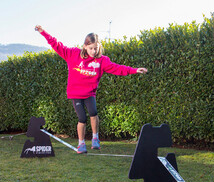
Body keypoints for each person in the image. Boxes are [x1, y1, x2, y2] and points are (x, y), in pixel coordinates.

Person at [35, 25, 147, 154]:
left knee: (93, 113)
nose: (93, 51)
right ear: (85, 46)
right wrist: (43, 32)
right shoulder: (72, 54)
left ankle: (95, 138)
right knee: (82, 118)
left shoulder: (102, 60)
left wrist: (134, 70)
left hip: (89, 94)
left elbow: (117, 68)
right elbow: (56, 45)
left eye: (96, 48)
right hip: (76, 94)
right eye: (91, 48)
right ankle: (81, 143)